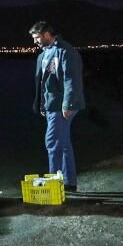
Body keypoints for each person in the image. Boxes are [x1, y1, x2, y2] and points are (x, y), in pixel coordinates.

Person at [30, 21, 84, 192]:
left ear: (46, 34)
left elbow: (71, 79)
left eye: (37, 38)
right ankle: (69, 183)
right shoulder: (44, 54)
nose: (35, 42)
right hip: (52, 105)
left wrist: (67, 104)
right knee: (64, 143)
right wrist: (41, 105)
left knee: (52, 141)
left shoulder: (65, 51)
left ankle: (54, 183)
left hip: (62, 105)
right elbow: (43, 84)